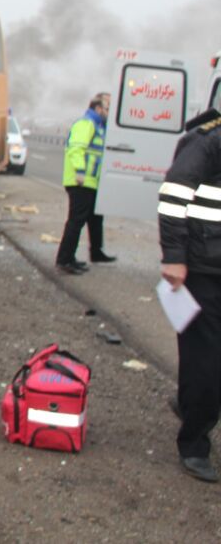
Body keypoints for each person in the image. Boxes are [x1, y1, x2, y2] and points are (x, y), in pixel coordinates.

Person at [157, 108, 221, 482]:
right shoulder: (208, 141)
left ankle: (191, 404)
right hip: (203, 271)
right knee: (205, 360)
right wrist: (176, 258)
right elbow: (173, 194)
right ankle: (194, 444)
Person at [55, 93, 117, 274]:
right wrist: (80, 172)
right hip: (80, 181)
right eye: (107, 109)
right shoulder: (86, 123)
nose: (109, 112)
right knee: (76, 221)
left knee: (95, 218)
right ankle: (64, 260)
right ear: (98, 108)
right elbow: (76, 149)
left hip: (91, 182)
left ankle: (95, 252)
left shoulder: (98, 126)